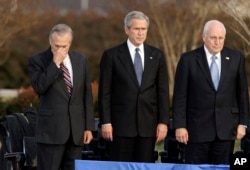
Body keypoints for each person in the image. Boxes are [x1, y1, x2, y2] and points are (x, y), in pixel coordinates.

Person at [173, 20, 249, 164]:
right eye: (213, 38)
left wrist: (243, 123)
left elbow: (242, 93)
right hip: (196, 130)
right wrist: (180, 125)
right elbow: (180, 96)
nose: (217, 42)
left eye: (221, 38)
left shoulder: (236, 58)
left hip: (226, 130)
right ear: (204, 37)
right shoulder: (188, 59)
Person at [98, 10, 169, 162]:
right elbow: (104, 92)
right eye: (137, 29)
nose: (140, 33)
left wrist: (163, 122)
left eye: (144, 29)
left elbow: (162, 92)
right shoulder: (111, 55)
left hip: (147, 126)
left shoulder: (157, 55)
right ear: (126, 29)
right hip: (120, 126)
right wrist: (106, 122)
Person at [28, 24, 95, 170]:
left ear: (70, 43)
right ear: (50, 41)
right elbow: (39, 87)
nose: (60, 50)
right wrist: (55, 63)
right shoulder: (38, 60)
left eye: (64, 46)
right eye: (56, 45)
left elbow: (86, 96)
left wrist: (88, 127)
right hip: (51, 133)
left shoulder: (81, 60)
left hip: (75, 133)